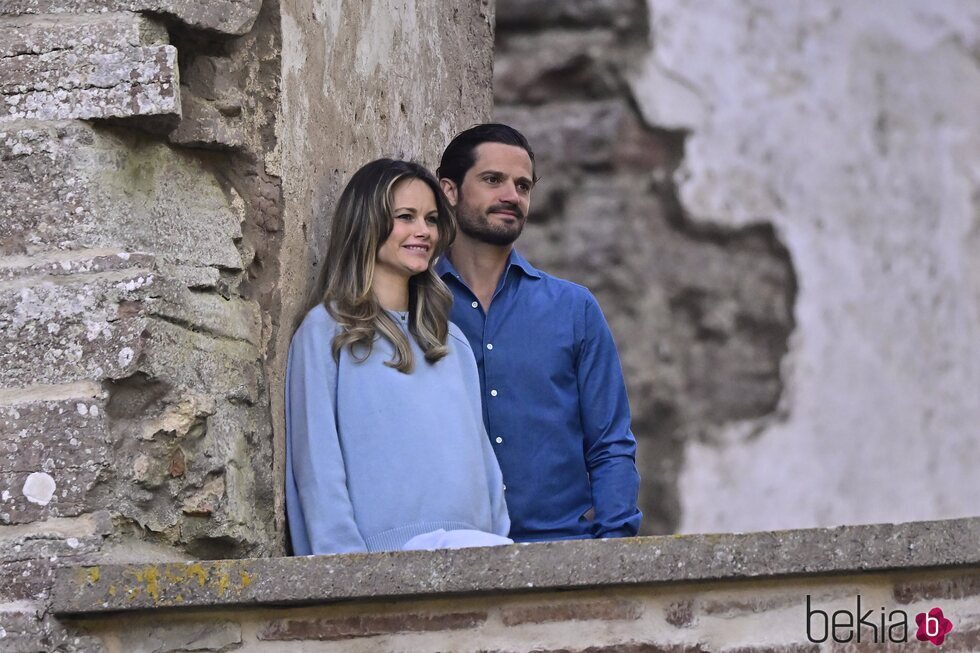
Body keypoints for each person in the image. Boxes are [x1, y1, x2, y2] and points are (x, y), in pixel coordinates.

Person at [285, 158, 511, 555]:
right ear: (366, 223)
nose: (423, 231)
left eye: (431, 219)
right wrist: (345, 571)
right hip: (382, 564)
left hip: (478, 553)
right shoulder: (325, 333)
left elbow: (486, 468)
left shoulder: (451, 342)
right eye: (406, 217)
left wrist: (497, 547)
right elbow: (317, 466)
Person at [435, 124, 642, 542]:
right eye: (493, 180)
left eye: (523, 185)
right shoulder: (414, 304)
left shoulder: (574, 309)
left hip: (561, 551)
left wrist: (613, 549)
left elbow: (610, 444)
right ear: (450, 191)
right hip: (447, 556)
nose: (512, 196)